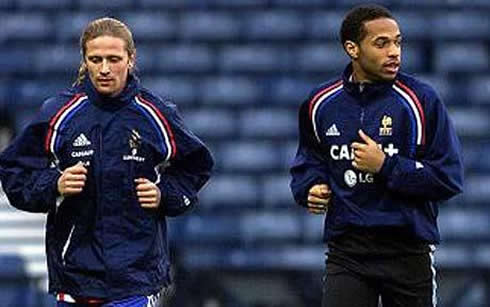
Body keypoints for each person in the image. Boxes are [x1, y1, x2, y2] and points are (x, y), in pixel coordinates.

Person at [0, 17, 214, 307]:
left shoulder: (155, 114)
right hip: (75, 274)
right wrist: (55, 184)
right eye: (95, 59)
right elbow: (14, 172)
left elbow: (197, 165)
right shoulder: (59, 113)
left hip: (136, 276)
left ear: (130, 59)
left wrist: (165, 194)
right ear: (84, 61)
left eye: (113, 59)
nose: (104, 69)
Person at [290, 4, 463, 307]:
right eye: (382, 43)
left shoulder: (422, 101)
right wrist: (310, 187)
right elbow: (309, 161)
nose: (394, 52)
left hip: (408, 250)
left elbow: (448, 178)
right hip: (348, 252)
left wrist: (386, 165)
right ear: (352, 48)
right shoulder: (320, 103)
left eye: (398, 42)